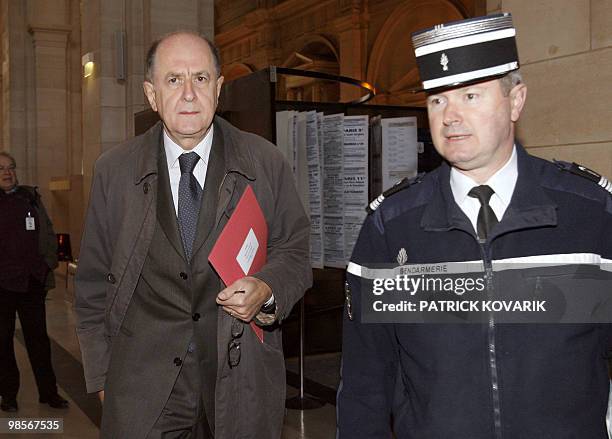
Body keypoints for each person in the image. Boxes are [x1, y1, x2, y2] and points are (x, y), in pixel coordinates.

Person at [337, 13, 612, 438]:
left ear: (516, 101)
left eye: (470, 95)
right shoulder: (392, 228)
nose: (450, 116)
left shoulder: (588, 213)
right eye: (437, 99)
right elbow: (365, 384)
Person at [74, 31, 311, 438]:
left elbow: (295, 250)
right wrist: (100, 379)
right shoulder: (114, 172)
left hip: (239, 379)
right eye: (173, 79)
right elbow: (93, 282)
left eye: (200, 79)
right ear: (151, 94)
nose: (188, 93)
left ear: (219, 89)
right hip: (142, 390)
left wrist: (267, 289)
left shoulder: (264, 162)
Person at [0, 151, 69, 412]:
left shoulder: (30, 197)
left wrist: (47, 261)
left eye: (11, 167)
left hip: (31, 282)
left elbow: (47, 230)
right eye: (1, 168)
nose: (7, 172)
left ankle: (48, 393)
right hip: (2, 285)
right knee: (3, 342)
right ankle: (8, 394)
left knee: (38, 341)